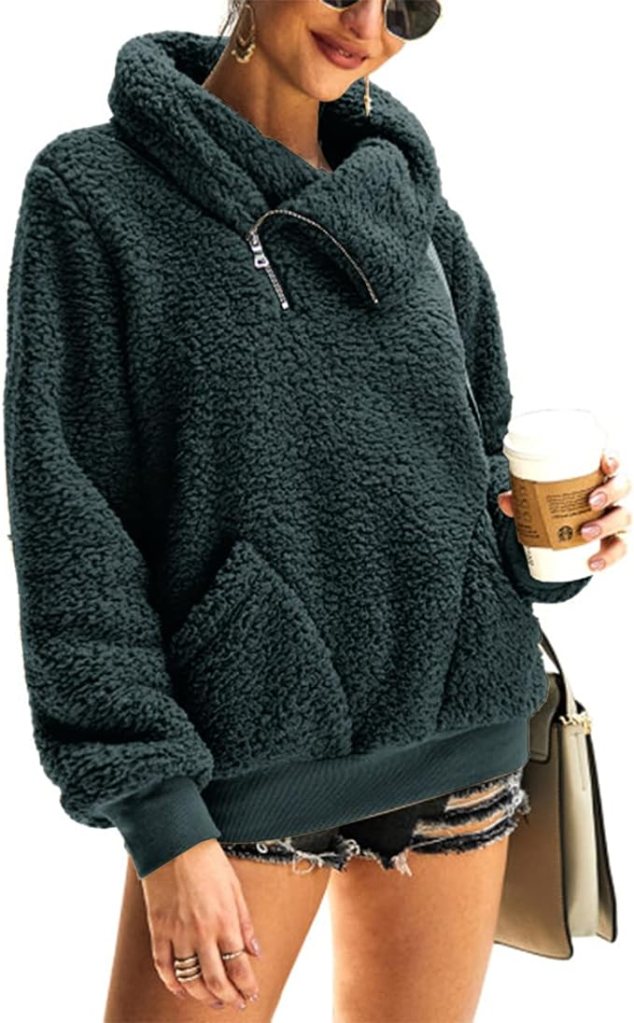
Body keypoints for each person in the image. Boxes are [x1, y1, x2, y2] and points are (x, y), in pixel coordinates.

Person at [4, 2, 630, 1020]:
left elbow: (469, 460)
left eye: (407, 5)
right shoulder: (94, 192)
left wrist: (543, 534)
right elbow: (73, 525)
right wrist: (161, 819)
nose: (368, 24)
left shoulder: (413, 202)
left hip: (459, 744)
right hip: (246, 763)